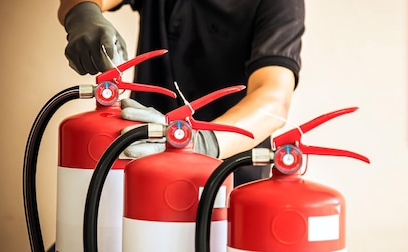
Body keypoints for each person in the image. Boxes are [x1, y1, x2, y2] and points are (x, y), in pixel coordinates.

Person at [58, 0, 305, 185]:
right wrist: (83, 13)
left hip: (226, 182)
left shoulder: (280, 5)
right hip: (138, 160)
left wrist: (202, 143)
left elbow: (273, 99)